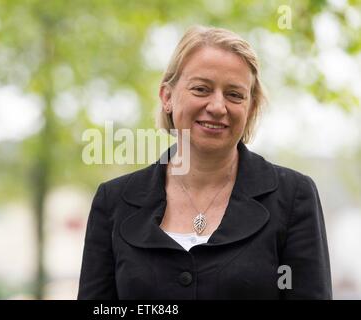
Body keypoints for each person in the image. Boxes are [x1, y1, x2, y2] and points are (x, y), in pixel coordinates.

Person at [77, 25, 332, 299]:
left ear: (251, 107)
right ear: (167, 97)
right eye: (201, 89)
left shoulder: (293, 196)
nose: (217, 107)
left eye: (234, 94)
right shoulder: (113, 202)